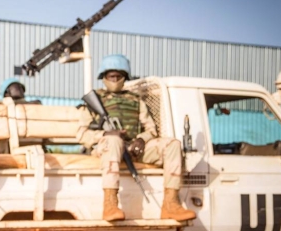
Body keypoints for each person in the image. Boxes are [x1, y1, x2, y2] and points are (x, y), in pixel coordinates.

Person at [78, 54, 196, 222]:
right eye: (111, 76)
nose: (115, 79)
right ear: (103, 77)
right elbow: (81, 134)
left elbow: (151, 129)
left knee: (173, 144)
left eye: (119, 76)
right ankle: (110, 204)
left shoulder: (135, 100)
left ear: (125, 77)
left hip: (132, 149)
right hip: (106, 150)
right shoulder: (93, 101)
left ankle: (171, 204)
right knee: (114, 141)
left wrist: (140, 140)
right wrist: (105, 134)